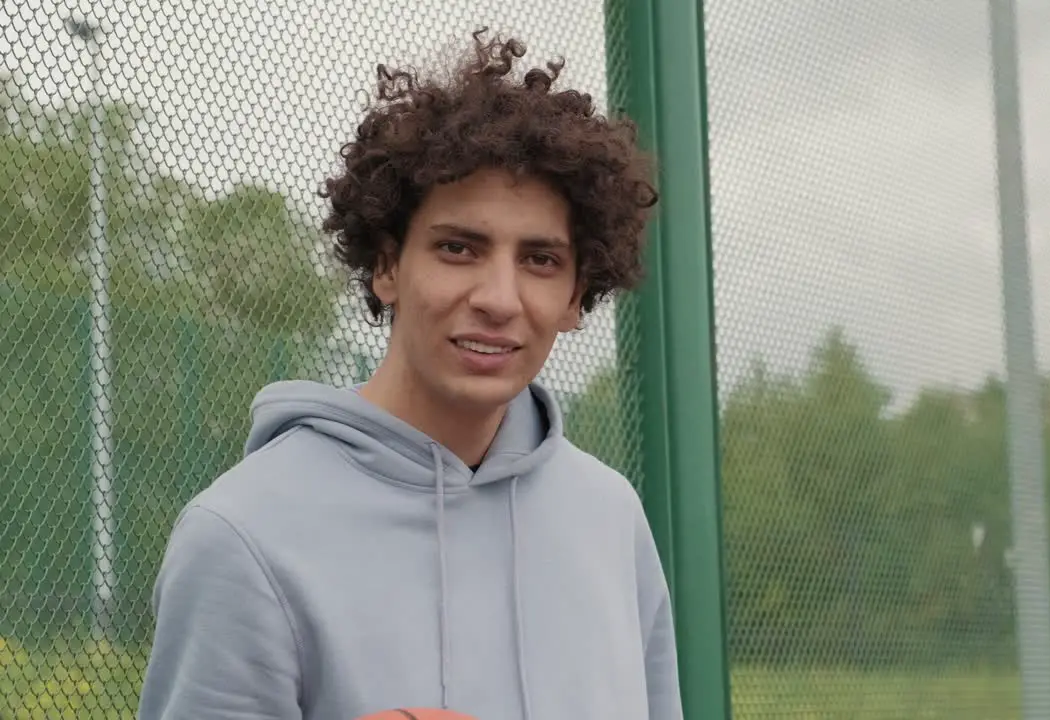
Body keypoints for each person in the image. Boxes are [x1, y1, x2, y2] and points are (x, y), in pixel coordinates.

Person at [137, 28, 680, 720]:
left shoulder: (611, 518)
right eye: (459, 248)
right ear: (388, 267)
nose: (498, 298)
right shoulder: (241, 536)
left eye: (540, 260)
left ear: (576, 296)